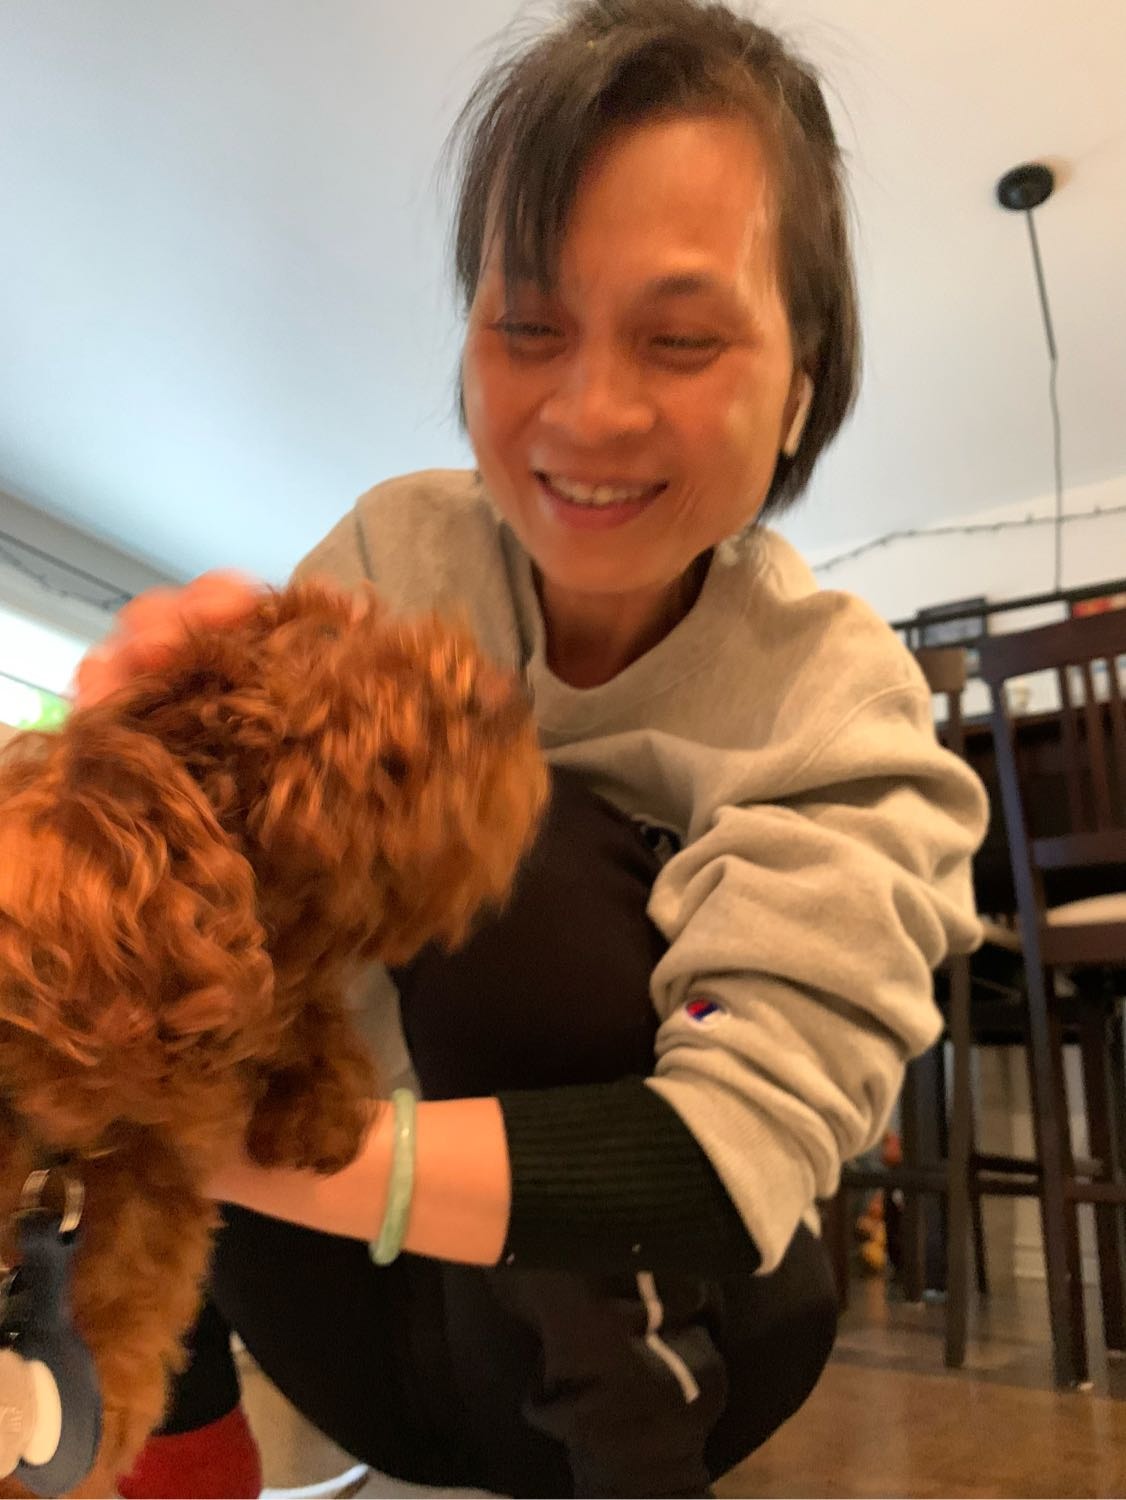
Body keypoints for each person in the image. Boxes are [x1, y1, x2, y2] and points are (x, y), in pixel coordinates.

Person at [78, 1, 989, 1495]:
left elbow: (722, 1158)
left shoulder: (839, 709)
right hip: (336, 1312)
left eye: (679, 338)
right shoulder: (395, 553)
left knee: (523, 849)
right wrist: (139, 774)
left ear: (800, 384)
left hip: (668, 1354)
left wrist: (211, 1151)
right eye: (528, 327)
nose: (591, 409)